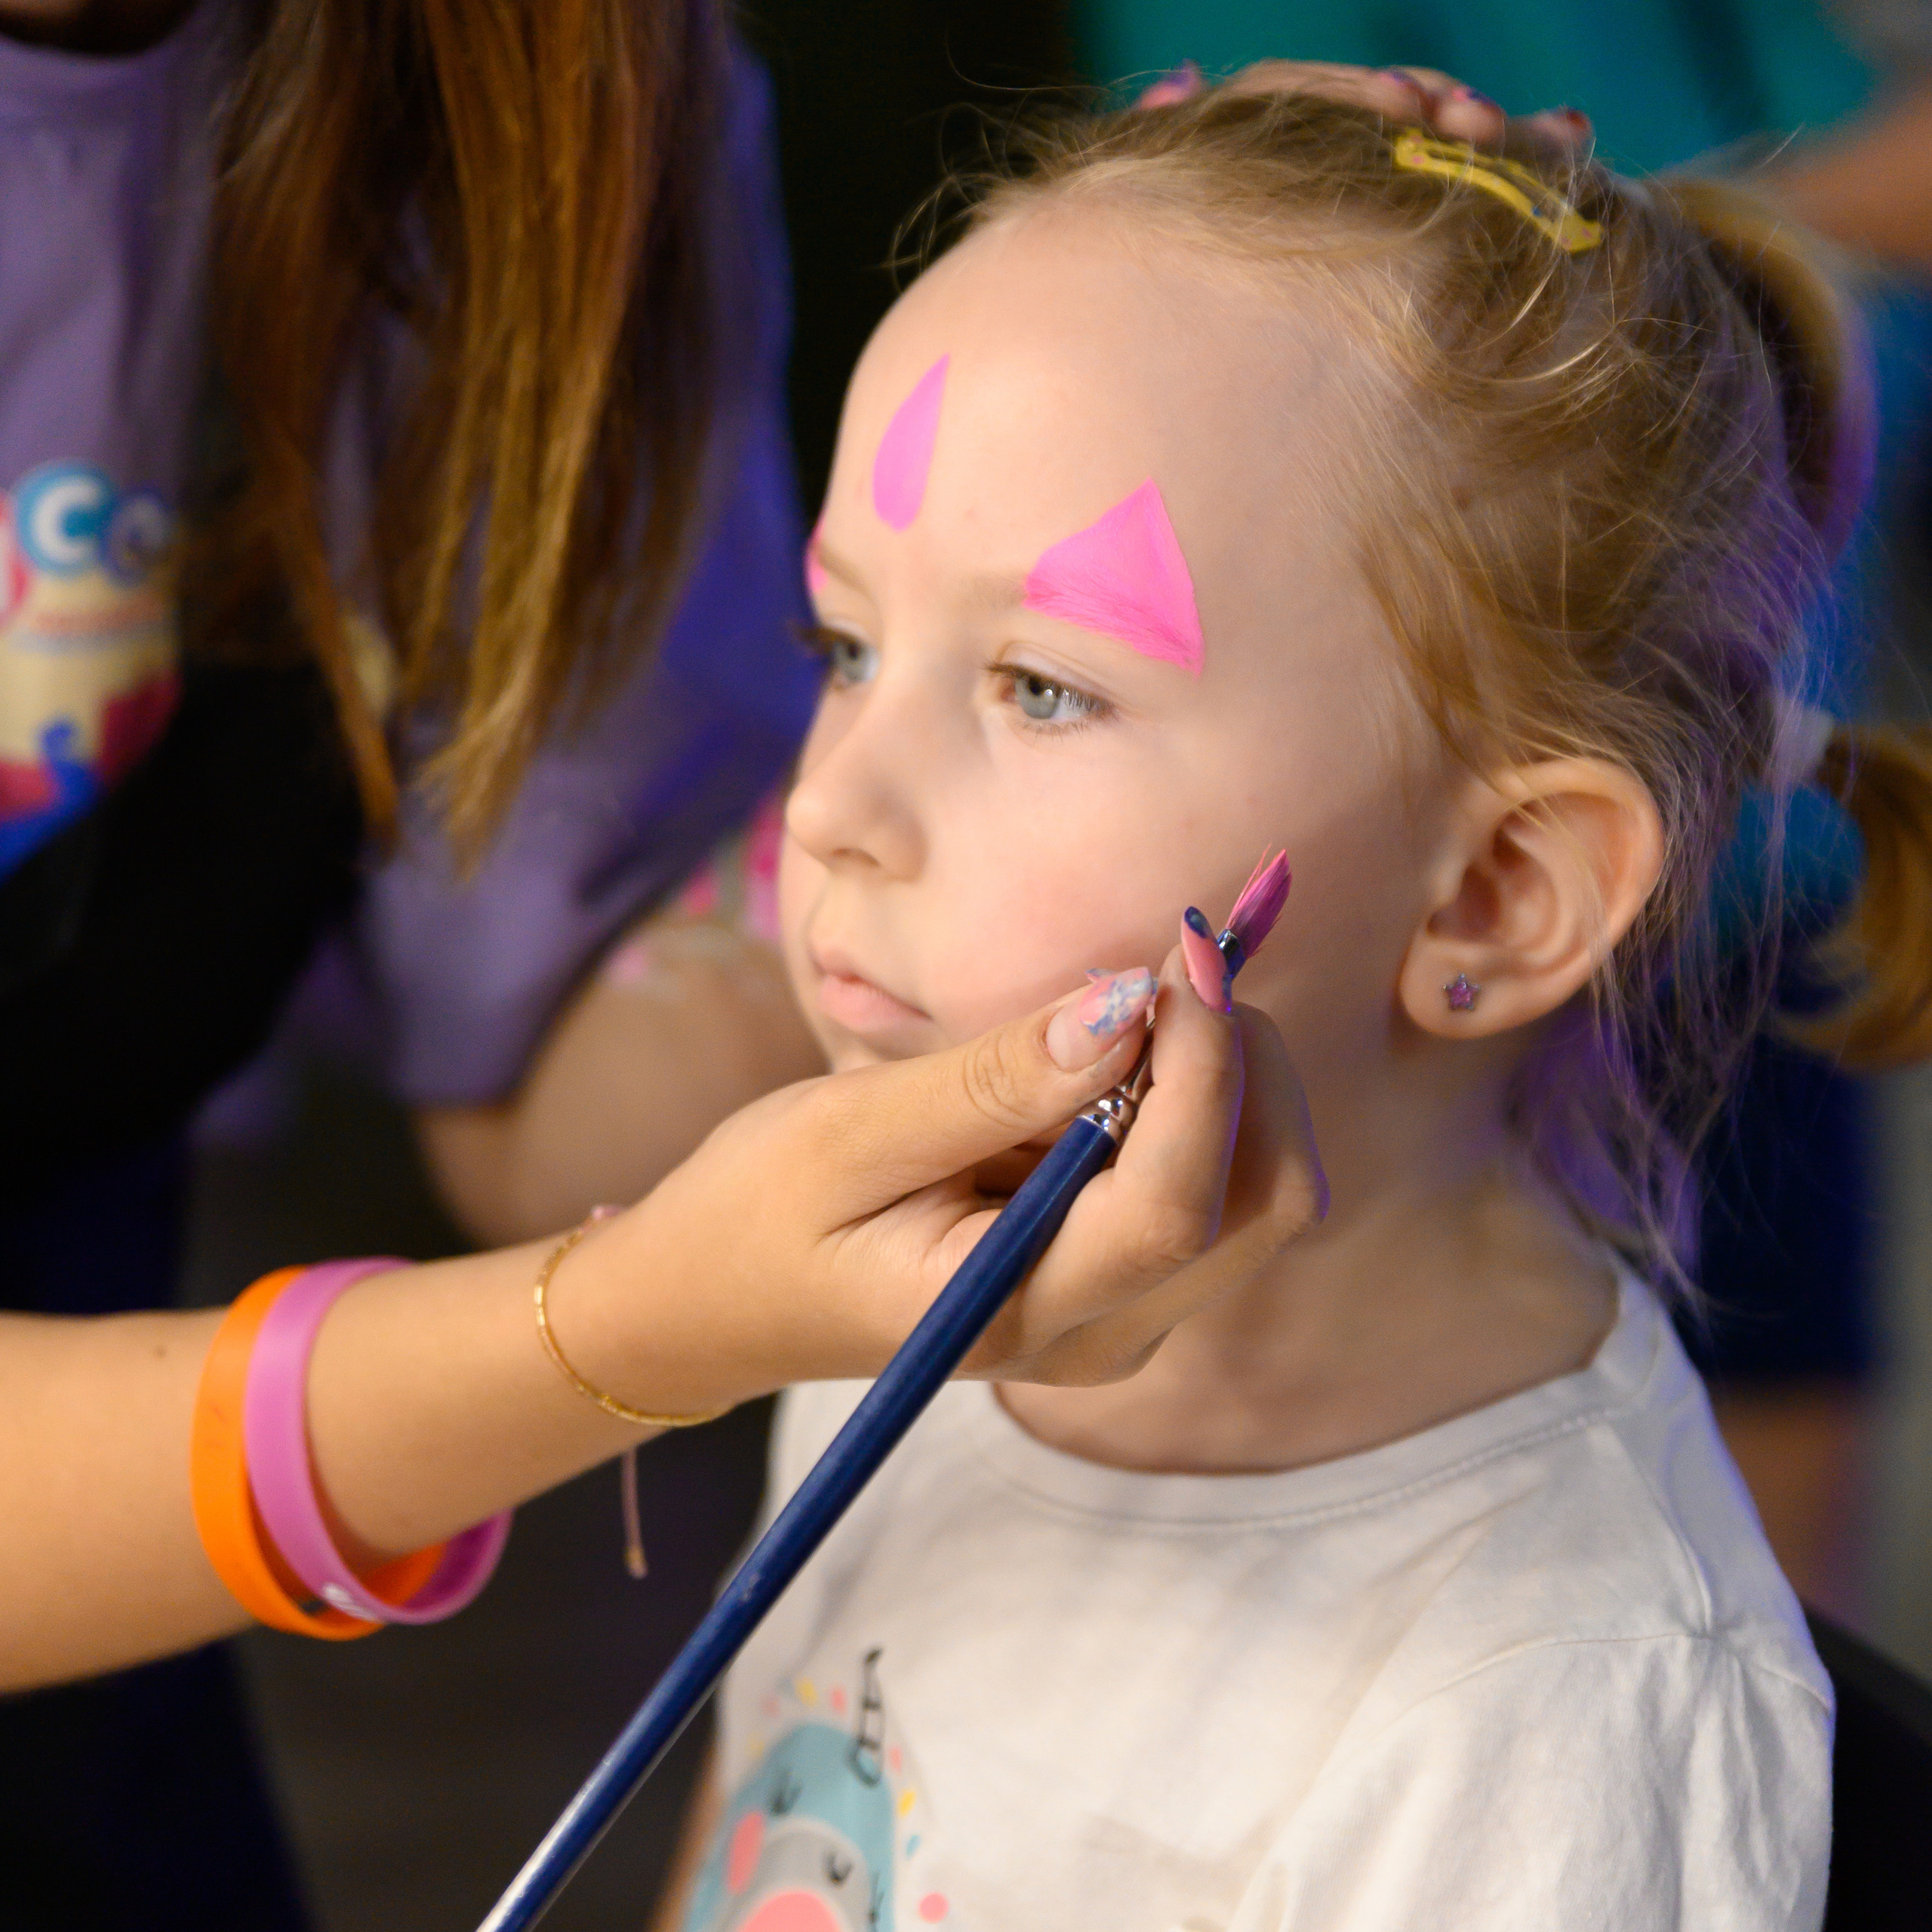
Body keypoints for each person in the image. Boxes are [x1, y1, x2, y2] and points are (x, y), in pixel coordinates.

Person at [648, 88, 1932, 1930]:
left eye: (1038, 685)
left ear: (1494, 890)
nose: (833, 803)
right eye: (848, 645)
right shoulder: (899, 1294)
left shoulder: (1545, 1704)